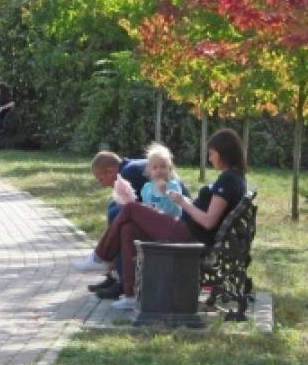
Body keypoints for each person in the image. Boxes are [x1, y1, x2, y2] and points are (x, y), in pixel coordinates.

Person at [73, 129, 248, 312]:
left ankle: (100, 256)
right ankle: (130, 295)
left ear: (223, 153)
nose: (210, 158)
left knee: (131, 208)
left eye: (212, 153)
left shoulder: (228, 181)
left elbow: (208, 222)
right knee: (128, 229)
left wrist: (184, 203)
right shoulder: (232, 178)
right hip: (186, 230)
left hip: (189, 235)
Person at [88, 148, 189, 299]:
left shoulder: (127, 172)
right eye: (154, 168)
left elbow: (132, 208)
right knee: (119, 216)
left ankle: (115, 273)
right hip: (161, 216)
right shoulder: (131, 168)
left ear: (110, 171)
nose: (101, 184)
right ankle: (115, 274)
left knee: (117, 213)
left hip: (178, 221)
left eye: (100, 179)